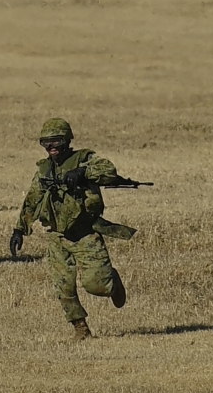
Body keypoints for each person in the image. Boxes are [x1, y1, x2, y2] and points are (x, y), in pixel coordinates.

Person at [9, 117, 141, 340]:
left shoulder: (84, 159)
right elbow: (32, 200)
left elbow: (108, 170)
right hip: (57, 237)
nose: (51, 148)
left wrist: (82, 173)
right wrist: (19, 229)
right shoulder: (44, 170)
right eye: (46, 143)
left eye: (56, 143)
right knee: (64, 288)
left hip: (84, 235)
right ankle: (81, 329)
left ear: (67, 141)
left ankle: (112, 283)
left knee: (96, 286)